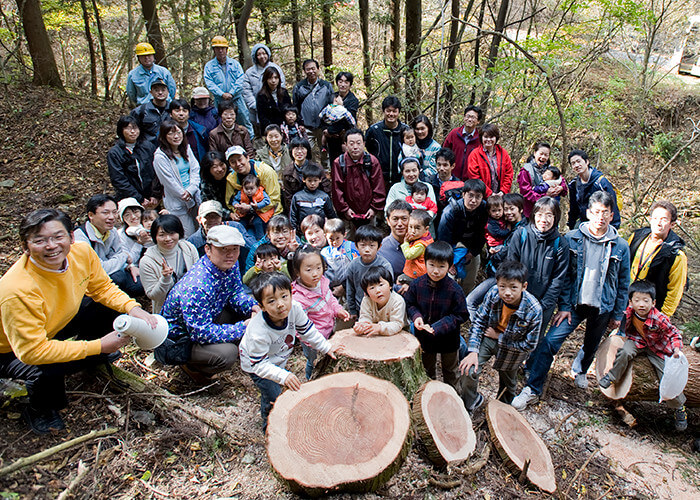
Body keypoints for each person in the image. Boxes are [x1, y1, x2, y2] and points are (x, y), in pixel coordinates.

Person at [0, 209, 156, 433]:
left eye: (57, 237)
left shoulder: (81, 253)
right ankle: (39, 410)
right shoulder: (17, 289)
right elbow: (32, 351)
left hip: (54, 323)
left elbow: (102, 288)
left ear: (72, 237)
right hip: (11, 349)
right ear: (25, 247)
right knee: (44, 368)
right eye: (40, 240)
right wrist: (98, 345)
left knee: (106, 308)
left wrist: (132, 308)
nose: (51, 246)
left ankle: (90, 358)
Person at [512, 191, 630, 410]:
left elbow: (623, 282)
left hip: (603, 307)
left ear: (612, 215)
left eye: (605, 213)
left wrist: (618, 313)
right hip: (574, 305)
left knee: (591, 344)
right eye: (596, 212)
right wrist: (564, 306)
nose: (600, 217)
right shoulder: (572, 238)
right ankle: (532, 388)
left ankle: (582, 369)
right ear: (587, 213)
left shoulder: (621, 246)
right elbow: (565, 276)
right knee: (549, 342)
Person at [158, 225, 260, 383]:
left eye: (234, 249)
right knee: (227, 354)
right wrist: (243, 327)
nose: (230, 254)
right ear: (208, 249)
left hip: (209, 316)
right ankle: (192, 368)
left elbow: (235, 292)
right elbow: (201, 332)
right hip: (180, 340)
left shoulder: (230, 265)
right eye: (223, 249)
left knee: (250, 309)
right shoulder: (197, 286)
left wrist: (252, 306)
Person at [240, 272, 342, 431]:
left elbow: (308, 331)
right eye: (271, 301)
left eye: (284, 296)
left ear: (291, 294)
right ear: (262, 306)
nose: (280, 304)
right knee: (273, 394)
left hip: (277, 357)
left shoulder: (294, 308)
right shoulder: (258, 331)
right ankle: (269, 426)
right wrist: (283, 375)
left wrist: (326, 347)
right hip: (256, 364)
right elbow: (259, 364)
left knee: (278, 385)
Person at [598, 280, 687, 431]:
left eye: (646, 301)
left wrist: (677, 349)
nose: (641, 305)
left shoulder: (659, 318)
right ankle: (612, 377)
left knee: (667, 376)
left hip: (657, 348)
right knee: (625, 352)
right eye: (637, 300)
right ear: (631, 302)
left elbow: (674, 334)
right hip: (637, 341)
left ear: (653, 302)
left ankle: (679, 408)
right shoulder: (629, 312)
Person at [458, 261, 542, 411]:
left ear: (524, 286)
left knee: (509, 384)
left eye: (513, 287)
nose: (507, 292)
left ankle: (502, 410)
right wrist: (473, 351)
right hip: (489, 337)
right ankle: (469, 403)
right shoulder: (493, 293)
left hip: (513, 348)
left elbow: (529, 345)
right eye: (502, 286)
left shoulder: (534, 310)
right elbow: (478, 321)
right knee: (469, 370)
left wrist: (500, 337)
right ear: (497, 283)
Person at [404, 241, 469, 388]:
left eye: (441, 266)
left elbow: (462, 314)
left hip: (449, 339)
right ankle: (427, 399)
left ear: (449, 266)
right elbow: (410, 304)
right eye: (431, 265)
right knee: (427, 370)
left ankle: (454, 399)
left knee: (451, 371)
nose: (435, 271)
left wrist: (439, 326)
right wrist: (416, 317)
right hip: (425, 337)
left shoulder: (454, 289)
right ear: (425, 263)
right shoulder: (417, 285)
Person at [506, 197, 570, 340]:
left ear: (555, 218)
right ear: (533, 215)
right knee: (511, 338)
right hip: (518, 299)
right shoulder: (521, 235)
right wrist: (517, 298)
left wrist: (542, 305)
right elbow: (511, 267)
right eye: (540, 214)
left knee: (533, 342)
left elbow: (558, 279)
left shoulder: (560, 244)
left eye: (549, 215)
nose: (544, 219)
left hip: (544, 304)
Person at [291, 245, 350, 379]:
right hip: (313, 342)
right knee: (314, 363)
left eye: (319, 267)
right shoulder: (298, 300)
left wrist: (338, 310)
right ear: (297, 272)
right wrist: (317, 342)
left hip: (328, 330)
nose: (315, 273)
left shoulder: (322, 282)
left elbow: (331, 299)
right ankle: (310, 379)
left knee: (328, 360)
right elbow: (300, 329)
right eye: (309, 269)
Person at [74, 194, 143, 297]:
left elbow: (117, 253)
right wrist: (124, 256)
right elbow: (100, 269)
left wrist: (129, 267)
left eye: (114, 212)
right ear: (91, 215)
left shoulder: (112, 231)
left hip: (110, 273)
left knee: (139, 285)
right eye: (105, 213)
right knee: (118, 277)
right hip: (87, 284)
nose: (111, 217)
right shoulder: (80, 238)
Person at [628, 200, 687, 317]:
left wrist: (662, 317)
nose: (658, 223)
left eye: (664, 219)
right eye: (655, 218)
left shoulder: (676, 255)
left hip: (651, 310)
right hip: (627, 302)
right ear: (650, 219)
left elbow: (675, 291)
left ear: (672, 224)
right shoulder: (636, 237)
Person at [139, 215, 199, 314]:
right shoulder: (147, 261)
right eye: (162, 235)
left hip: (192, 305)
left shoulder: (189, 248)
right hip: (166, 311)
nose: (168, 239)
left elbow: (198, 276)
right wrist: (165, 279)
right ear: (155, 236)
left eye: (172, 233)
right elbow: (153, 296)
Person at [437, 179, 488, 295]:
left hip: (471, 245)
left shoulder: (484, 209)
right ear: (463, 194)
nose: (473, 201)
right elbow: (443, 239)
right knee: (448, 276)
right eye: (470, 196)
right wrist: (449, 261)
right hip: (451, 246)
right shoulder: (450, 212)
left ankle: (466, 297)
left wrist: (473, 252)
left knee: (474, 265)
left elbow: (484, 233)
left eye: (478, 197)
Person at [153, 120, 201, 237]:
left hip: (193, 195)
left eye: (178, 132)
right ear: (164, 136)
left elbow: (195, 169)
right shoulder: (160, 156)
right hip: (177, 202)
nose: (176, 136)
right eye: (171, 133)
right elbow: (168, 181)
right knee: (187, 233)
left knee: (199, 229)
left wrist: (191, 189)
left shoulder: (186, 148)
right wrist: (185, 196)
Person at [331, 128, 387, 230]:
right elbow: (336, 189)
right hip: (347, 215)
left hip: (369, 212)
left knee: (369, 241)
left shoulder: (372, 161)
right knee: (348, 242)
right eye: (351, 143)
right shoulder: (339, 163)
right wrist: (344, 209)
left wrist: (374, 209)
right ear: (346, 145)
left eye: (358, 143)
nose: (355, 147)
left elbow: (378, 187)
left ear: (364, 144)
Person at [202, 36, 253, 137]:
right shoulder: (209, 66)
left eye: (222, 48)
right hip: (220, 101)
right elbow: (209, 83)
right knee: (221, 123)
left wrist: (231, 93)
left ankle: (249, 142)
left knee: (244, 120)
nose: (220, 51)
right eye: (217, 48)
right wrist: (222, 94)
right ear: (214, 50)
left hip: (236, 99)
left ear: (226, 49)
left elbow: (240, 79)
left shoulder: (235, 64)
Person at [107, 115, 158, 208]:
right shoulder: (115, 153)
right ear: (121, 130)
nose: (133, 132)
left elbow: (156, 171)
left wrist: (155, 194)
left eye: (135, 128)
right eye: (128, 128)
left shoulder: (148, 146)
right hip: (129, 199)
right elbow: (118, 179)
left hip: (151, 198)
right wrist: (139, 198)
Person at [346, 225, 394, 320]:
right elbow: (350, 289)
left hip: (382, 310)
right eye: (363, 245)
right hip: (361, 310)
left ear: (379, 246)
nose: (367, 249)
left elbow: (390, 289)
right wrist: (352, 310)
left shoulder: (385, 265)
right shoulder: (353, 265)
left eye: (372, 245)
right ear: (356, 246)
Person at [292, 59, 334, 165]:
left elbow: (331, 105)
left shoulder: (326, 86)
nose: (311, 71)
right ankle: (310, 173)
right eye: (308, 69)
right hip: (306, 126)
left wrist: (328, 125)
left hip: (322, 126)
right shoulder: (299, 87)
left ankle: (326, 172)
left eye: (313, 68)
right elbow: (295, 107)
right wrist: (299, 123)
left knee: (325, 151)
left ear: (318, 69)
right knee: (307, 152)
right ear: (304, 71)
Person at [187, 200, 255, 265]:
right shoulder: (194, 241)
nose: (212, 220)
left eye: (216, 216)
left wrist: (236, 235)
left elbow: (254, 248)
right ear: (199, 220)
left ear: (221, 218)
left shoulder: (234, 227)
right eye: (208, 217)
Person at [567, 149, 621, 229]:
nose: (577, 165)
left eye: (579, 161)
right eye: (573, 163)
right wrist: (571, 225)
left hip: (601, 223)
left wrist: (614, 227)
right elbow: (573, 208)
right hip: (583, 222)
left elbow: (613, 206)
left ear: (587, 162)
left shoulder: (601, 182)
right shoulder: (574, 184)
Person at [224, 145, 282, 219]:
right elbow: (229, 202)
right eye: (233, 162)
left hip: (269, 212)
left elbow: (274, 199)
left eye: (240, 159)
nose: (238, 164)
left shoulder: (265, 171)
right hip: (244, 215)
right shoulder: (231, 179)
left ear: (247, 157)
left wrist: (252, 208)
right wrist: (237, 208)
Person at [365, 96, 409, 187]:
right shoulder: (374, 130)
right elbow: (368, 148)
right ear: (383, 111)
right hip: (378, 177)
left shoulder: (405, 130)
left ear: (398, 112)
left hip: (400, 178)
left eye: (394, 111)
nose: (391, 114)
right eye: (388, 111)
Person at [242, 43, 286, 131]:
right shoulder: (250, 72)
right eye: (259, 54)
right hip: (256, 109)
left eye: (264, 53)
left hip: (275, 109)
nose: (262, 56)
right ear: (255, 56)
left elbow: (281, 86)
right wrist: (256, 105)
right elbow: (246, 91)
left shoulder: (275, 68)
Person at [353, 266, 407, 336]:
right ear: (366, 292)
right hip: (376, 336)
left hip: (399, 335)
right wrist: (362, 326)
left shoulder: (397, 301)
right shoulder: (367, 300)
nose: (378, 291)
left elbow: (397, 324)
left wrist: (380, 327)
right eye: (372, 288)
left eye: (381, 285)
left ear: (390, 285)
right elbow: (365, 317)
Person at [517, 141, 566, 218]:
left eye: (546, 155)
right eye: (541, 154)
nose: (543, 157)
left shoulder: (550, 169)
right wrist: (545, 195)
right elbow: (526, 193)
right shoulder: (526, 171)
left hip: (550, 211)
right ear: (535, 153)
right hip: (532, 212)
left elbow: (561, 181)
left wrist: (561, 188)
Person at [281, 137, 332, 211]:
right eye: (296, 149)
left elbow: (326, 190)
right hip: (299, 208)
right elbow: (288, 198)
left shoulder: (317, 168)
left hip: (317, 206)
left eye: (302, 148)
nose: (299, 152)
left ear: (308, 150)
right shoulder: (287, 172)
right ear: (291, 151)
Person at [467, 123, 513, 198]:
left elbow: (509, 174)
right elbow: (475, 178)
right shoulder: (474, 154)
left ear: (496, 138)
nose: (488, 140)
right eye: (485, 137)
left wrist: (503, 191)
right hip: (482, 197)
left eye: (491, 137)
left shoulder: (503, 153)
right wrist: (489, 194)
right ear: (481, 137)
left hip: (501, 196)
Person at [289, 162, 336, 233]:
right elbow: (293, 217)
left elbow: (331, 215)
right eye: (309, 181)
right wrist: (294, 232)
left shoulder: (324, 197)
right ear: (304, 180)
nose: (312, 183)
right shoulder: (297, 197)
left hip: (320, 231)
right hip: (303, 232)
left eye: (315, 180)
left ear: (320, 180)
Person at [126, 42, 177, 106]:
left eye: (149, 55)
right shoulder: (133, 75)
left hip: (164, 107)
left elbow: (172, 90)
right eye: (143, 56)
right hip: (144, 108)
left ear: (153, 56)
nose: (146, 58)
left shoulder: (163, 72)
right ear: (138, 58)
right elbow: (131, 94)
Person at [325, 71, 359, 163]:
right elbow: (325, 114)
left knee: (346, 163)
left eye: (346, 82)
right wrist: (327, 130)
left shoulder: (353, 100)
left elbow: (348, 120)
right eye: (340, 81)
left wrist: (341, 106)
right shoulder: (332, 97)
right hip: (331, 137)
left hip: (344, 136)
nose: (343, 84)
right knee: (333, 162)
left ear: (350, 84)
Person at [442, 105, 483, 180]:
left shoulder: (480, 139)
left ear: (478, 121)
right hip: (451, 177)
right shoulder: (454, 133)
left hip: (470, 180)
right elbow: (444, 152)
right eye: (468, 116)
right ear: (464, 117)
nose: (469, 119)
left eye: (473, 117)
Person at [232, 173, 274, 240]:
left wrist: (258, 205)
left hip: (259, 213)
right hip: (245, 213)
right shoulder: (240, 193)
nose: (249, 191)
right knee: (241, 223)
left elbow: (267, 201)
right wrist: (235, 204)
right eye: (246, 188)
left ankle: (260, 239)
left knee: (257, 222)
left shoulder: (261, 192)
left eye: (251, 188)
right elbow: (235, 200)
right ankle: (240, 238)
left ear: (257, 187)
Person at [321, 218, 359, 293]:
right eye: (331, 239)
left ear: (344, 234)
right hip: (330, 289)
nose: (334, 242)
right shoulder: (324, 252)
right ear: (325, 236)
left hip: (349, 287)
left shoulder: (351, 247)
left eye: (337, 238)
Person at [166, 99, 209, 163]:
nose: (181, 113)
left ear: (189, 114)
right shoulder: (164, 132)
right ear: (170, 114)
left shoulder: (199, 130)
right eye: (177, 111)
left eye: (184, 111)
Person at [130, 78, 170, 145]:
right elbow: (131, 130)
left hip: (168, 148)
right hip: (146, 149)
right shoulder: (140, 111)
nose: (160, 92)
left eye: (163, 90)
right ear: (151, 92)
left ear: (168, 92)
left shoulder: (173, 110)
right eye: (156, 90)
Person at [427, 147, 461, 225]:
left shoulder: (458, 185)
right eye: (439, 164)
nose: (441, 168)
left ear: (452, 166)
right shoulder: (429, 183)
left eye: (445, 165)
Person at [399, 209, 434, 286]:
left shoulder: (421, 245)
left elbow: (408, 255)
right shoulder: (425, 236)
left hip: (417, 273)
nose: (413, 231)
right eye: (410, 227)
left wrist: (405, 243)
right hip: (420, 271)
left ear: (426, 229)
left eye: (417, 228)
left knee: (399, 280)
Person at [378, 200, 412, 278]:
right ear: (388, 221)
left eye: (404, 219)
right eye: (395, 219)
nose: (399, 224)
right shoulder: (381, 249)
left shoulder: (421, 244)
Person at [256, 66, 292, 132]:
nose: (273, 81)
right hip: (269, 130)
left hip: (285, 128)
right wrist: (272, 129)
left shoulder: (284, 92)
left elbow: (290, 109)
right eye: (270, 78)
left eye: (276, 78)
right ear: (266, 80)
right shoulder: (261, 95)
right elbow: (262, 116)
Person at [200, 151, 233, 221]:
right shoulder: (206, 183)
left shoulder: (233, 174)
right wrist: (229, 214)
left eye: (221, 164)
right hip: (219, 215)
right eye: (215, 167)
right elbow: (210, 205)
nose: (220, 169)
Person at [117, 197, 151, 267]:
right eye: (127, 215)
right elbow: (129, 260)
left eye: (136, 212)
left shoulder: (150, 225)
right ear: (122, 219)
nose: (133, 217)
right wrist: (139, 243)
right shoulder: (120, 235)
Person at [412, 115, 441, 179]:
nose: (420, 132)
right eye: (417, 129)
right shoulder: (410, 145)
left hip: (428, 181)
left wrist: (418, 175)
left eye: (422, 129)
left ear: (428, 128)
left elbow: (434, 169)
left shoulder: (436, 147)